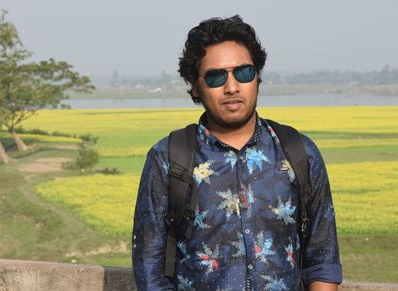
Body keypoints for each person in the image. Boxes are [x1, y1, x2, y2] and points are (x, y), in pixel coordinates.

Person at [132, 15, 342, 290]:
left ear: (257, 77)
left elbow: (322, 259)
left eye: (243, 73)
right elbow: (151, 271)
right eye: (216, 77)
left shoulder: (299, 153)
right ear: (195, 87)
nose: (232, 87)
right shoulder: (169, 158)